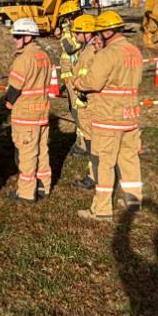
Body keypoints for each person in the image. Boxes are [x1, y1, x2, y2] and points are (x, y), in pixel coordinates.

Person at [73, 10, 143, 222]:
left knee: (104, 163)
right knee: (129, 158)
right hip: (129, 115)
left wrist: (77, 83)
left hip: (107, 117)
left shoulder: (107, 54)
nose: (98, 35)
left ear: (108, 31)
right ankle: (133, 199)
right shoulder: (134, 51)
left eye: (100, 31)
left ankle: (101, 210)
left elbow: (92, 82)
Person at [5, 18, 53, 203]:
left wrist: (9, 103)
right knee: (42, 151)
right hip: (42, 113)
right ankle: (44, 186)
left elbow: (14, 89)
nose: (14, 40)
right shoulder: (44, 56)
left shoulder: (23, 59)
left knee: (26, 155)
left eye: (17, 36)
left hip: (26, 116)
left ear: (27, 37)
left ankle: (25, 194)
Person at [68, 14, 99, 190]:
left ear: (87, 33)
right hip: (91, 103)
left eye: (78, 33)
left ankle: (94, 176)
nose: (76, 36)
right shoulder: (94, 47)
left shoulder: (89, 52)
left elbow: (84, 78)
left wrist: (78, 90)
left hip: (88, 104)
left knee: (92, 142)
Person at [55, 0, 86, 155]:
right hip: (73, 73)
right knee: (76, 107)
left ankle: (83, 143)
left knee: (77, 108)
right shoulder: (80, 28)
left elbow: (70, 48)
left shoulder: (74, 30)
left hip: (74, 75)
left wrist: (65, 33)